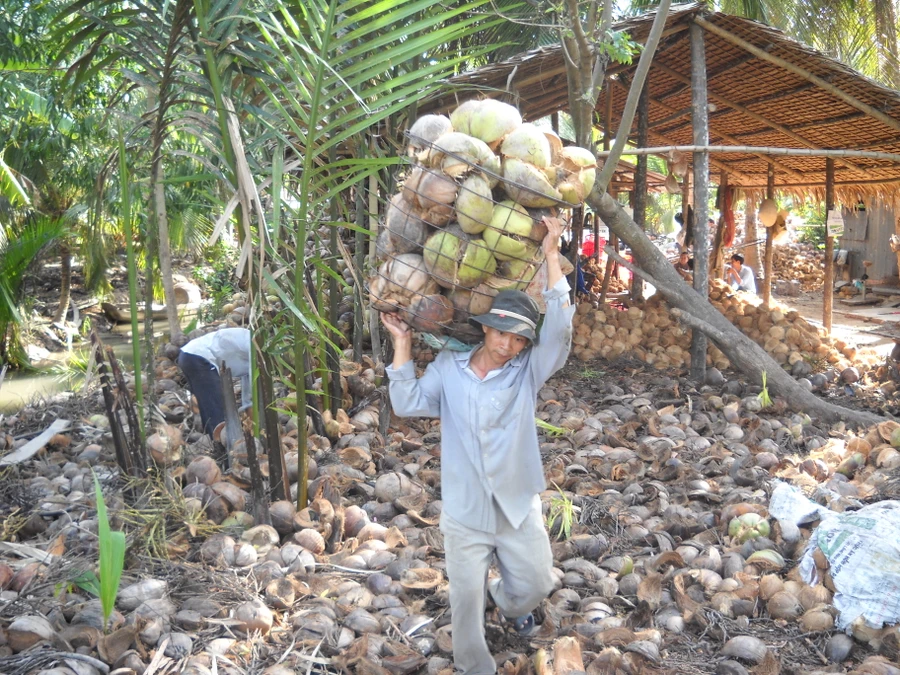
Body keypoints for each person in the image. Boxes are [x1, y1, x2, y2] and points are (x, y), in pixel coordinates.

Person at [381, 217, 574, 675]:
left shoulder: (527, 371)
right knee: (465, 615)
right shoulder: (449, 367)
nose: (507, 344)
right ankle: (476, 668)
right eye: (500, 332)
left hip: (515, 503)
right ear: (486, 328)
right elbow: (407, 403)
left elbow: (560, 330)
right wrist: (402, 345)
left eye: (518, 337)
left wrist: (550, 253)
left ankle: (504, 600)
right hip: (465, 509)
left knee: (534, 584)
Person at [177, 327, 251, 436]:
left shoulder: (252, 351)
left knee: (207, 406)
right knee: (217, 409)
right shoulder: (253, 343)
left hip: (188, 355)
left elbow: (249, 389)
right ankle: (222, 446)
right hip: (198, 356)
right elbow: (252, 392)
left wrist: (248, 407)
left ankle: (214, 441)